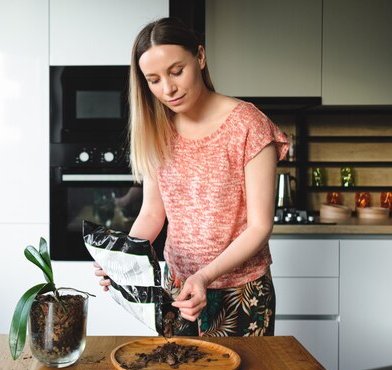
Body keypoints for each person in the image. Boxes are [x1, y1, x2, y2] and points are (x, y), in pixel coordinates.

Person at [94, 17, 289, 337]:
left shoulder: (248, 125)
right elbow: (153, 213)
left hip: (241, 294)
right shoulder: (158, 129)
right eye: (153, 79)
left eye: (176, 71)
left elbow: (260, 226)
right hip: (178, 288)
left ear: (199, 57)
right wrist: (122, 259)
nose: (167, 89)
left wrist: (204, 277)